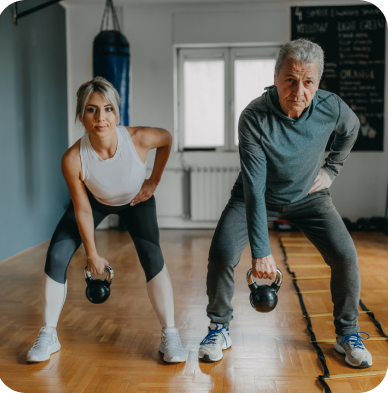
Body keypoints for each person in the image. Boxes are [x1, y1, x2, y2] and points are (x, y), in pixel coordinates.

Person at [198, 39, 372, 369]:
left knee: (346, 256)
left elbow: (351, 129)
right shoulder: (254, 117)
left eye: (308, 82)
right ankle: (218, 328)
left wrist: (332, 169)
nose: (299, 91)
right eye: (290, 79)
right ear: (276, 76)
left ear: (318, 83)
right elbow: (254, 185)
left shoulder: (331, 107)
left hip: (310, 198)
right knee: (221, 253)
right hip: (255, 195)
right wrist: (261, 251)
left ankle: (346, 334)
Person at [27, 77, 186, 363]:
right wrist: (92, 254)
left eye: (108, 109)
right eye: (91, 110)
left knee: (152, 256)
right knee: (56, 255)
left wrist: (154, 180)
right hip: (94, 203)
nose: (101, 118)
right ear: (80, 115)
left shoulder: (138, 139)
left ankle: (170, 334)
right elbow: (83, 209)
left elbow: (166, 139)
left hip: (136, 202)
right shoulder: (72, 158)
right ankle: (48, 333)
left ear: (117, 113)